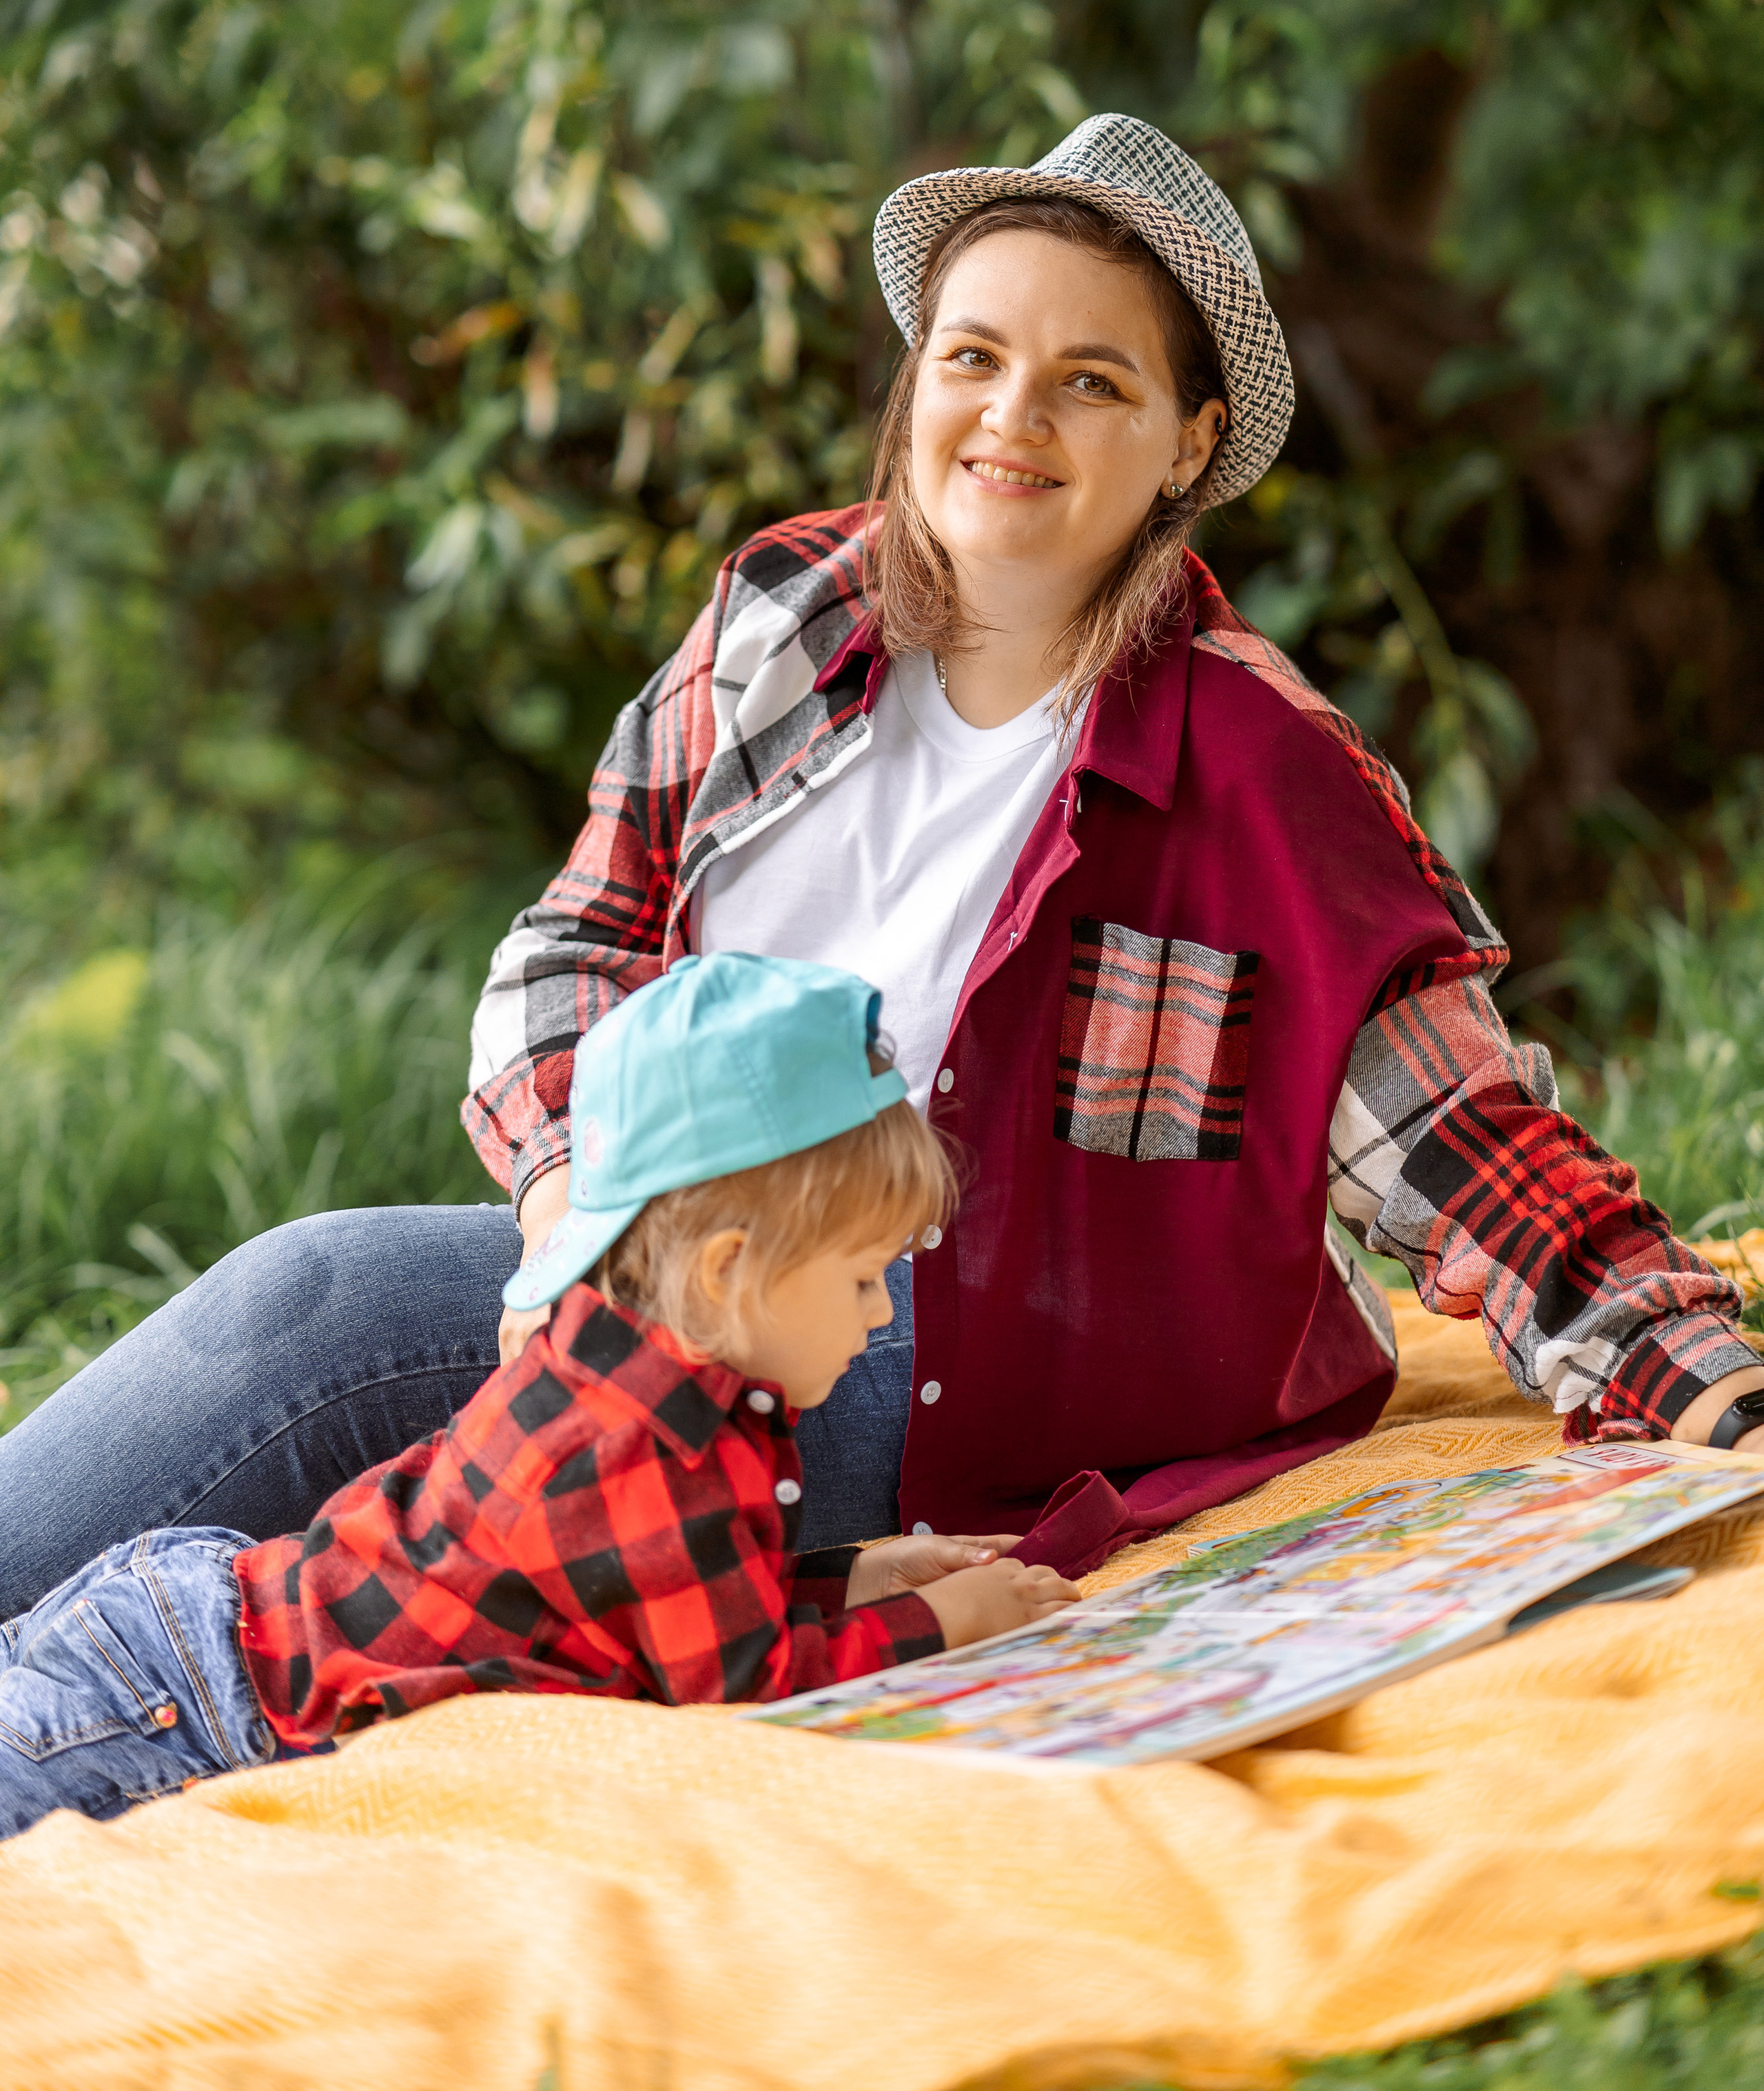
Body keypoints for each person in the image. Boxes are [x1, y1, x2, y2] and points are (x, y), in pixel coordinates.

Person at [2, 112, 1758, 1622]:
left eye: (1093, 381)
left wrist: (1704, 1385)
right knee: (334, 1528)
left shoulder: (1266, 775)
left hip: (940, 1373)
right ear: (916, 376)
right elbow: (575, 947)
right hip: (669, 1270)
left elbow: (1478, 1155)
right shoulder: (788, 619)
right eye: (973, 357)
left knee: (327, 1319)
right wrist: (577, 1220)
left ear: (1188, 444)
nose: (1013, 418)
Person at [0, 956, 1076, 1841]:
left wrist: (847, 1581)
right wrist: (939, 1623)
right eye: (858, 1280)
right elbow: (737, 1693)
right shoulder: (644, 1439)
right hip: (187, 1707)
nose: (881, 1320)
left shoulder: (639, 1369)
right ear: (727, 1271)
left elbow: (646, 1607)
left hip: (201, 1622)